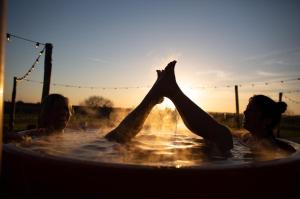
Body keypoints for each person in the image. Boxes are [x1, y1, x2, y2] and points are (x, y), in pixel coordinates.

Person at [107, 60, 290, 153]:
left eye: (251, 111)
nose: (244, 112)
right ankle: (158, 96)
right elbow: (208, 128)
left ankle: (168, 91)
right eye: (246, 108)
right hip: (222, 156)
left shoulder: (276, 147)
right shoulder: (245, 137)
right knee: (123, 143)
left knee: (223, 136)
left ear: (266, 120)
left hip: (232, 168)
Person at [4, 94, 72, 142]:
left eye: (66, 108)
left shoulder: (71, 136)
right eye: (58, 108)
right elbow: (12, 138)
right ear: (47, 112)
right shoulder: (39, 136)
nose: (63, 112)